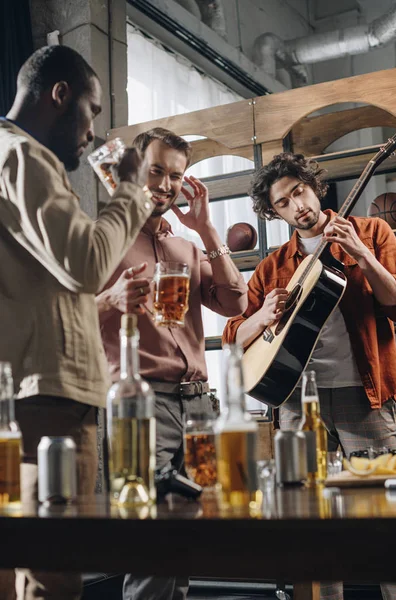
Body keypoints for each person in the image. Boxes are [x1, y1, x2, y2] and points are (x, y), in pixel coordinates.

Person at [0, 45, 155, 600]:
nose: (90, 133)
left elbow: (48, 285)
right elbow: (87, 263)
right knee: (54, 572)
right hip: (47, 399)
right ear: (59, 95)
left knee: (19, 564)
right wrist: (132, 191)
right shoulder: (23, 156)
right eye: (91, 111)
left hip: (24, 391)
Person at [223, 152, 396, 600]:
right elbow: (233, 336)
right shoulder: (271, 266)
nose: (296, 206)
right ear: (274, 212)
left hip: (366, 395)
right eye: (282, 203)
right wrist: (262, 315)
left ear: (313, 186)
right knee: (312, 522)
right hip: (297, 404)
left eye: (298, 192)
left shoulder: (372, 231)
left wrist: (360, 253)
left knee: (384, 518)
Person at [96, 127, 248, 600]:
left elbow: (235, 303)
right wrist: (111, 298)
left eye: (175, 176)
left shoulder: (187, 247)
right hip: (139, 408)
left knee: (190, 538)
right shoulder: (103, 239)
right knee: (152, 546)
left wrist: (206, 230)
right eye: (155, 171)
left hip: (199, 406)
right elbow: (58, 313)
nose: (164, 184)